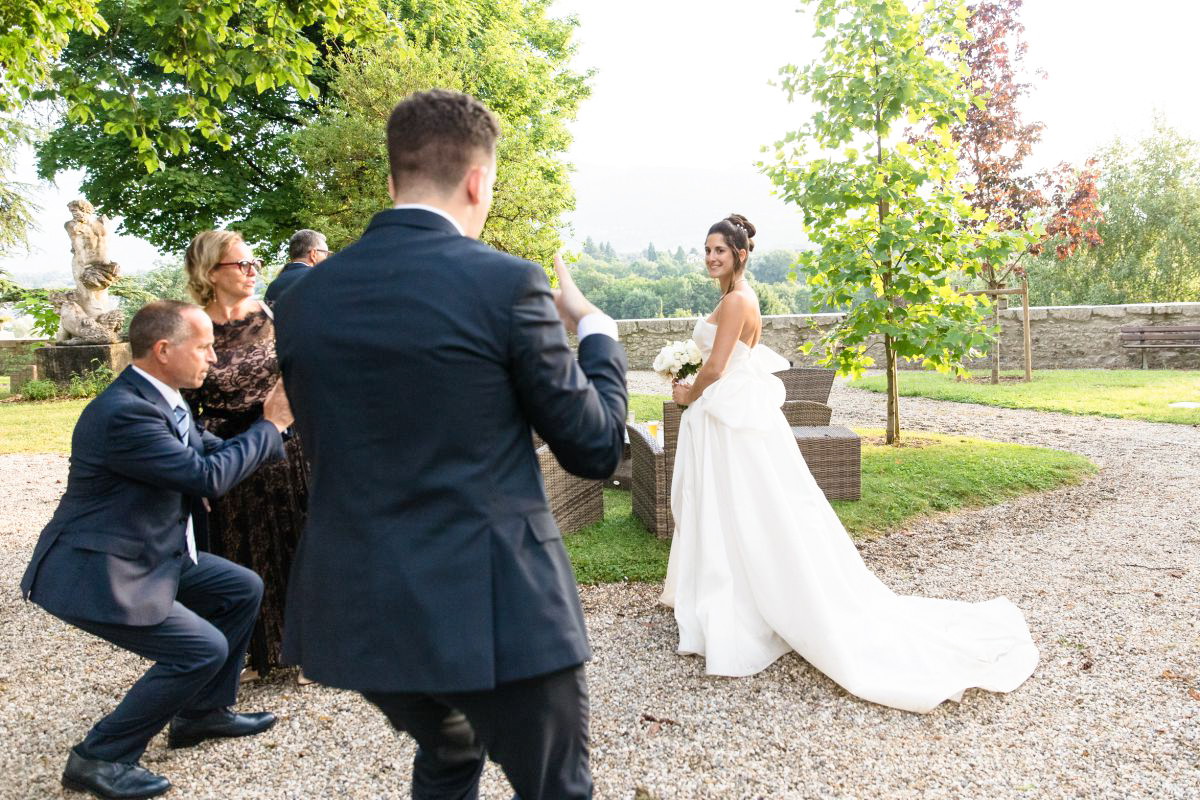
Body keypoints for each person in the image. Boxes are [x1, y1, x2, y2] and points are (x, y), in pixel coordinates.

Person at [274, 89, 627, 800]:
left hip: (357, 605)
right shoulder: (506, 284)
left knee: (449, 748)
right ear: (477, 181)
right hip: (493, 604)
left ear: (392, 180)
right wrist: (596, 331)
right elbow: (593, 447)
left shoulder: (303, 298)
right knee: (556, 787)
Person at [661, 214, 1040, 714]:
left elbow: (715, 366)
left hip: (728, 417)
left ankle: (746, 602)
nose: (712, 257)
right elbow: (726, 362)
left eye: (720, 251)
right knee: (740, 507)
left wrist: (688, 393)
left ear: (740, 254)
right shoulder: (738, 296)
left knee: (741, 505)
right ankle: (734, 589)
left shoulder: (736, 301)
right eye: (708, 249)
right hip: (730, 413)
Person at [20, 300, 293, 800]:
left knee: (240, 587)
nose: (213, 357)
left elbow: (207, 454)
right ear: (164, 350)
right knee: (199, 650)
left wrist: (275, 436)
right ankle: (99, 756)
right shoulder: (125, 413)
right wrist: (269, 426)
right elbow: (206, 476)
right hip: (99, 568)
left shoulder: (163, 397)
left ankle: (201, 714)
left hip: (151, 552)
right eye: (204, 347)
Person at [182, 230, 310, 680]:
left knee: (298, 546)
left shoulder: (273, 315)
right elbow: (183, 408)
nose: (253, 270)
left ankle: (308, 650)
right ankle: (254, 654)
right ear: (210, 272)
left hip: (286, 450)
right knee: (244, 553)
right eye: (241, 264)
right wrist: (195, 471)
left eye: (254, 262)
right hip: (229, 455)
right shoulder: (193, 329)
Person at [263, 229, 330, 305]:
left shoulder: (274, 285)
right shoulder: (320, 279)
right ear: (313, 254)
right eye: (326, 254)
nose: (327, 258)